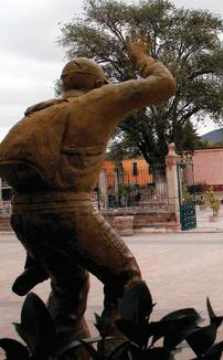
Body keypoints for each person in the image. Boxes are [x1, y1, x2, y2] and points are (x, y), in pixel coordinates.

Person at [0, 30, 176, 345]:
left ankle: (61, 350)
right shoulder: (97, 100)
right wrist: (140, 57)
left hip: (24, 215)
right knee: (124, 278)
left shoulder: (40, 111)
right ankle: (117, 350)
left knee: (68, 283)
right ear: (97, 84)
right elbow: (164, 84)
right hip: (68, 212)